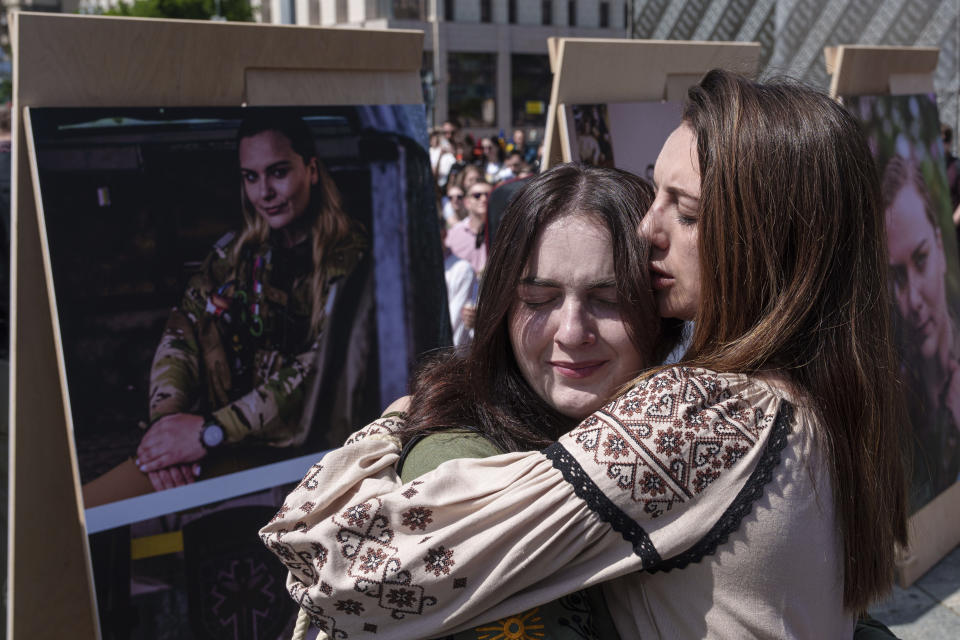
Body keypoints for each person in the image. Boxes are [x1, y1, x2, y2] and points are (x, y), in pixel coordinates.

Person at [261, 70, 908, 638]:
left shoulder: (702, 413)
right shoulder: (824, 393)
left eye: (682, 212)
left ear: (764, 238)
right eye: (538, 296)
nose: (649, 229)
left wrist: (392, 424)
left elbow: (351, 570)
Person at [133, 112, 364, 491]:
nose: (264, 193)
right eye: (251, 177)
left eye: (278, 172)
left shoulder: (350, 259)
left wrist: (212, 431)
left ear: (311, 170)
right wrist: (167, 424)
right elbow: (184, 327)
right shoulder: (238, 255)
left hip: (315, 459)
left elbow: (323, 366)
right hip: (230, 446)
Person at [883, 154, 960, 505]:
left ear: (941, 249)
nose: (912, 298)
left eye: (921, 259)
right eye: (897, 275)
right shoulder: (896, 402)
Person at [445, 178, 492, 273]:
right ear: (467, 203)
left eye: (488, 195)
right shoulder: (453, 234)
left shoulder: (503, 233)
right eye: (477, 195)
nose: (483, 199)